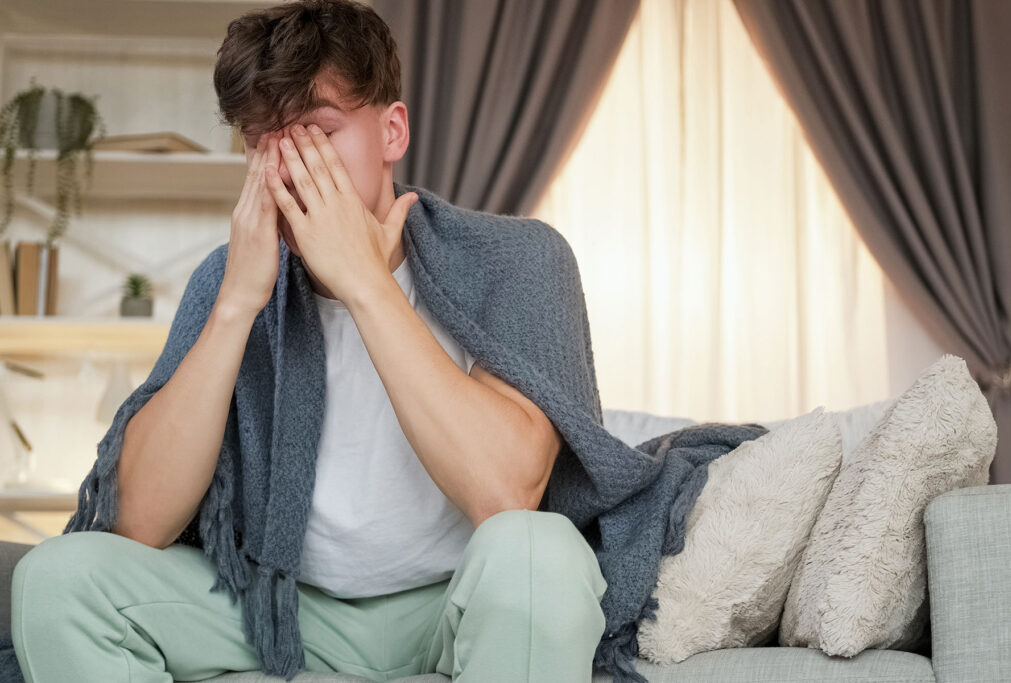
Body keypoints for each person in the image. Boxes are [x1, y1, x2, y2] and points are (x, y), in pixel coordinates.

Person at [9, 1, 608, 681]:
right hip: (280, 607)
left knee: (544, 554)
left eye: (317, 131)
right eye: (260, 139)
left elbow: (508, 491)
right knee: (55, 579)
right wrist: (236, 305)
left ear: (392, 131)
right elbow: (139, 521)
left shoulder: (519, 260)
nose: (287, 166)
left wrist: (366, 284)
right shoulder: (226, 280)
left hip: (460, 598)